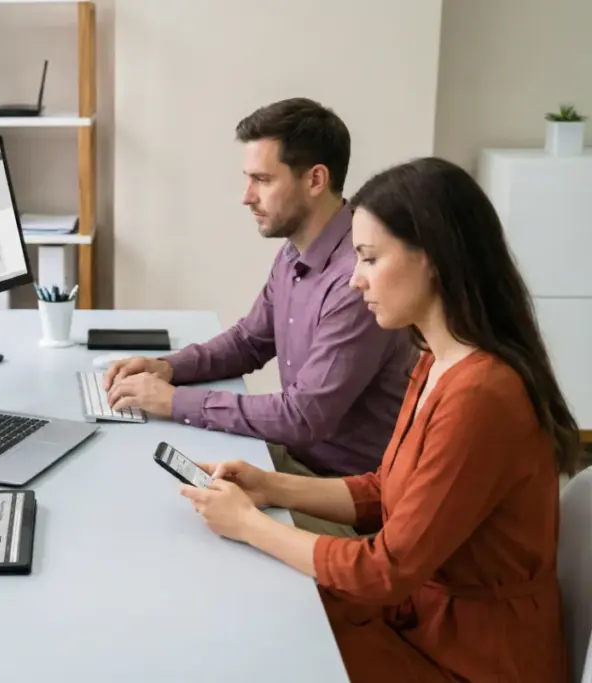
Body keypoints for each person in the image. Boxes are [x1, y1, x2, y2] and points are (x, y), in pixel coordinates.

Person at [179, 156, 577, 682]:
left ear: (431, 259)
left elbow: (383, 571)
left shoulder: (481, 396)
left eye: (368, 258)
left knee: (254, 643)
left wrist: (248, 525)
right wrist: (270, 487)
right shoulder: (437, 359)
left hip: (473, 659)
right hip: (426, 620)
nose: (354, 281)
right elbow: (387, 490)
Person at [104, 98, 416, 535]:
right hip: (296, 467)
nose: (246, 197)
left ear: (315, 179)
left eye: (262, 180)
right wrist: (167, 368)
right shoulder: (295, 253)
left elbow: (302, 417)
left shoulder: (356, 282)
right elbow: (250, 341)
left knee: (187, 529)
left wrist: (174, 402)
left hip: (343, 495)